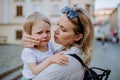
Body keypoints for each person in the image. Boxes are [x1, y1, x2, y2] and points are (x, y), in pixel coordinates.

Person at [21, 6, 94, 80]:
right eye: (57, 25)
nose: (55, 30)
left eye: (63, 29)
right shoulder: (68, 49)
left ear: (78, 37)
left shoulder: (65, 62)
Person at [21, 12, 68, 80]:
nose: (45, 36)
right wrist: (50, 59)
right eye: (39, 33)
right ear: (29, 34)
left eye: (47, 31)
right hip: (31, 78)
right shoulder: (29, 51)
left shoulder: (49, 44)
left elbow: (55, 54)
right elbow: (35, 71)